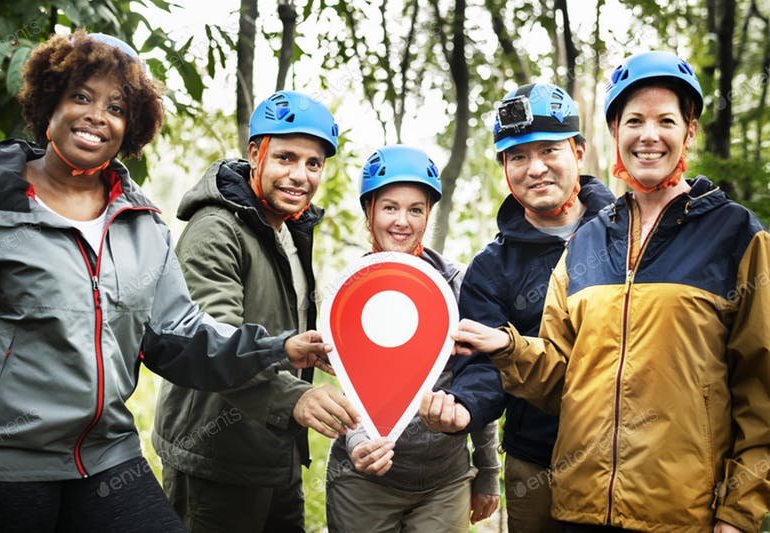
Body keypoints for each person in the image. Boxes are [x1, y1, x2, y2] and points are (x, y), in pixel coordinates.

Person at [0, 30, 336, 532]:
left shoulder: (142, 224)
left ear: (132, 125)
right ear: (47, 104)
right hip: (3, 461)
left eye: (116, 107)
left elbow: (180, 337)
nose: (98, 115)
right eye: (81, 96)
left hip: (106, 455)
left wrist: (278, 349)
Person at [436, 51, 770, 532]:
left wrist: (739, 512)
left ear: (689, 131)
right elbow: (562, 378)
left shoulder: (736, 234)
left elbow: (760, 390)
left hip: (679, 514)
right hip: (578, 508)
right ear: (616, 134)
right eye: (634, 120)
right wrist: (507, 347)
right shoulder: (589, 242)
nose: (649, 135)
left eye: (665, 120)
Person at [152, 90, 360, 533]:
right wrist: (295, 397)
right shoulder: (215, 230)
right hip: (215, 458)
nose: (299, 176)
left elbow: (275, 325)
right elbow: (216, 340)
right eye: (286, 158)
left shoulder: (290, 228)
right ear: (254, 154)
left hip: (275, 451)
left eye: (313, 164)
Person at [420, 83, 615, 533]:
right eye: (518, 157)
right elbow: (484, 365)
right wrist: (464, 405)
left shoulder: (627, 232)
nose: (536, 169)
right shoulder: (491, 269)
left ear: (579, 151)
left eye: (549, 150)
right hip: (536, 462)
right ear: (504, 167)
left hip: (629, 456)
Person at [325, 145, 501, 532]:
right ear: (369, 211)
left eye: (415, 209)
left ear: (428, 214)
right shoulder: (347, 291)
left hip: (445, 481)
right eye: (390, 207)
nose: (402, 221)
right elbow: (349, 388)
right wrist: (357, 444)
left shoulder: (455, 287)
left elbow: (476, 381)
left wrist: (487, 471)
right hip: (364, 481)